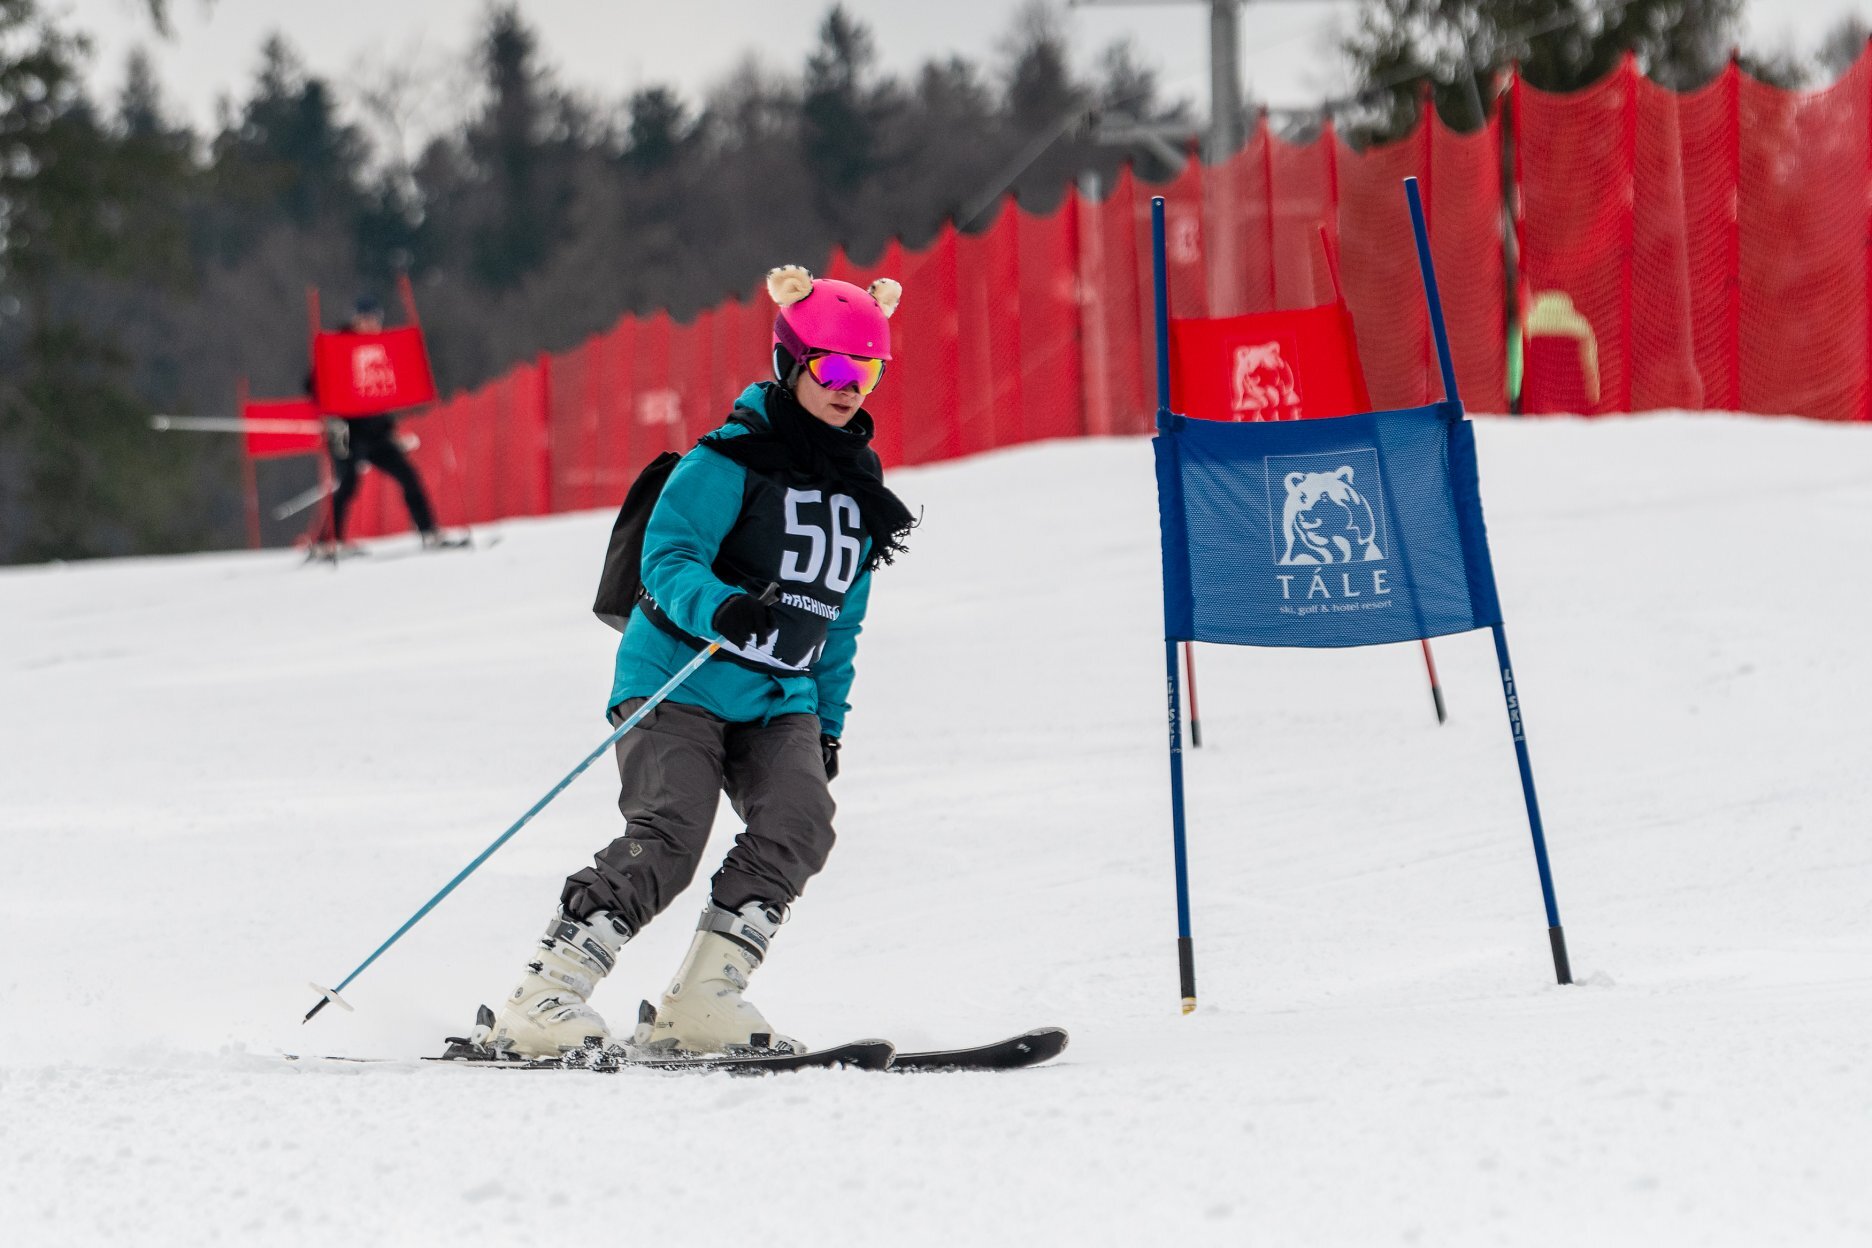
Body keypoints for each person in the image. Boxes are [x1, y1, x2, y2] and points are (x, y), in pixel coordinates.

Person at [488, 265, 914, 1057]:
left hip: (779, 693)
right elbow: (670, 556)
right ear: (791, 361)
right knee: (672, 832)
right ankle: (543, 996)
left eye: (869, 371)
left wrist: (827, 721)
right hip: (678, 677)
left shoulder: (859, 492)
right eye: (833, 367)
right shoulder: (725, 461)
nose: (850, 387)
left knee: (799, 819)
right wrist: (720, 606)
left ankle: (702, 1001)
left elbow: (841, 620)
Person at [310, 294, 457, 557]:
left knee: (408, 476)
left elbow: (388, 387)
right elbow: (312, 385)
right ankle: (328, 542)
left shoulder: (383, 346)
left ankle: (429, 531)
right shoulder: (338, 346)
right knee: (348, 484)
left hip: (377, 431)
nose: (370, 325)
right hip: (348, 431)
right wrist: (330, 408)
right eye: (364, 320)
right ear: (354, 321)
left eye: (374, 320)